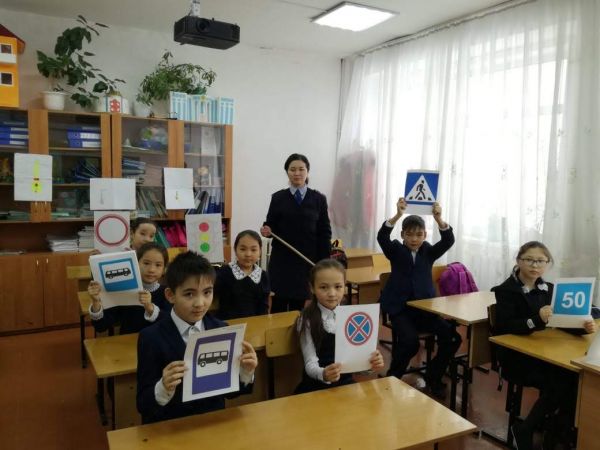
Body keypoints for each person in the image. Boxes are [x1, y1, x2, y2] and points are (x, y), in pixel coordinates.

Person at [493, 241, 597, 450]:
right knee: (561, 381)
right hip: (516, 357)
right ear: (518, 261)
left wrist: (583, 326)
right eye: (529, 260)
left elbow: (562, 320)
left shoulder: (549, 289)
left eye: (541, 261)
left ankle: (558, 427)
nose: (535, 265)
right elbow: (506, 326)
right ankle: (526, 429)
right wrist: (537, 320)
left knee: (577, 377)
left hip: (543, 352)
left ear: (548, 263)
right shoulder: (506, 290)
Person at [136, 251, 258, 424]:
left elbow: (230, 393)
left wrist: (245, 372)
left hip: (213, 423)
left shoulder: (221, 330)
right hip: (171, 427)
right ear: (170, 295)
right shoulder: (151, 338)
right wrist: (162, 387)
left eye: (207, 292)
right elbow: (143, 404)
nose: (200, 303)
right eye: (189, 294)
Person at [378, 197, 461, 398]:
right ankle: (393, 377)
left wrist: (439, 219)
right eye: (409, 234)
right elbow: (382, 236)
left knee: (452, 338)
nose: (414, 239)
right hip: (400, 310)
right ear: (402, 235)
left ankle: (434, 374)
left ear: (425, 235)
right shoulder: (395, 250)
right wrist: (398, 214)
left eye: (419, 234)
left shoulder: (429, 252)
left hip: (425, 310)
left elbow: (448, 240)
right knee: (410, 342)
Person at [295, 259, 384, 394]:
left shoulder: (352, 317)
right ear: (312, 288)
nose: (332, 293)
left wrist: (371, 364)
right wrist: (323, 374)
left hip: (345, 384)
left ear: (344, 286)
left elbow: (357, 365)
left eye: (338, 287)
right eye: (323, 287)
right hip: (316, 387)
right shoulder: (307, 319)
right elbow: (310, 363)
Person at [260, 153, 332, 313]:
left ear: (307, 171)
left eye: (301, 169)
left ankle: (296, 330)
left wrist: (323, 261)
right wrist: (267, 229)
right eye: (292, 169)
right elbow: (270, 225)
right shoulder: (278, 198)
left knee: (298, 308)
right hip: (282, 260)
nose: (297, 173)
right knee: (278, 305)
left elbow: (324, 232)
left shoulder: (319, 199)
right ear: (287, 172)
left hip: (306, 261)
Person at [87, 242, 170, 335]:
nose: (151, 270)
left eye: (158, 265)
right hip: (127, 342)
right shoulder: (124, 290)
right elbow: (101, 326)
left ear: (164, 269)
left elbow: (170, 325)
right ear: (136, 263)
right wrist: (96, 302)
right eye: (146, 263)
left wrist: (150, 308)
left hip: (155, 343)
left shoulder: (167, 293)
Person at [215, 230, 270, 320]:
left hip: (254, 323)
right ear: (235, 250)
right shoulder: (225, 272)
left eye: (253, 250)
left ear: (260, 251)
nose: (248, 254)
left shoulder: (263, 275)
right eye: (243, 249)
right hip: (228, 323)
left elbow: (263, 308)